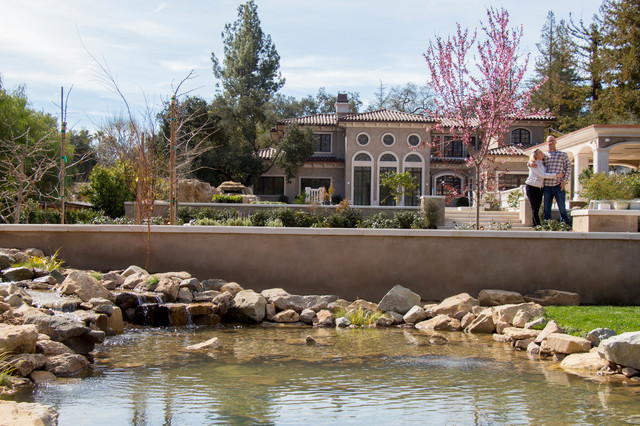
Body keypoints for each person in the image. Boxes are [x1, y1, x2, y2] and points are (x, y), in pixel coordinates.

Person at [525, 149, 564, 227]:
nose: (542, 153)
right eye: (539, 152)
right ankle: (538, 226)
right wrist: (556, 175)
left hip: (539, 188)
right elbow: (542, 174)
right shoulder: (534, 164)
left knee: (537, 208)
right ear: (536, 155)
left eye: (542, 152)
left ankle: (535, 225)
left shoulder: (542, 163)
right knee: (535, 208)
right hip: (532, 187)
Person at [542, 135, 571, 224]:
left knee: (562, 208)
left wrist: (564, 181)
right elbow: (534, 162)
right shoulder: (544, 156)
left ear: (555, 142)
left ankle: (566, 226)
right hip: (547, 186)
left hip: (559, 185)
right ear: (546, 143)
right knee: (546, 209)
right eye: (549, 141)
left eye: (552, 141)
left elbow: (568, 168)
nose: (550, 143)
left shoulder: (562, 154)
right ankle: (547, 226)